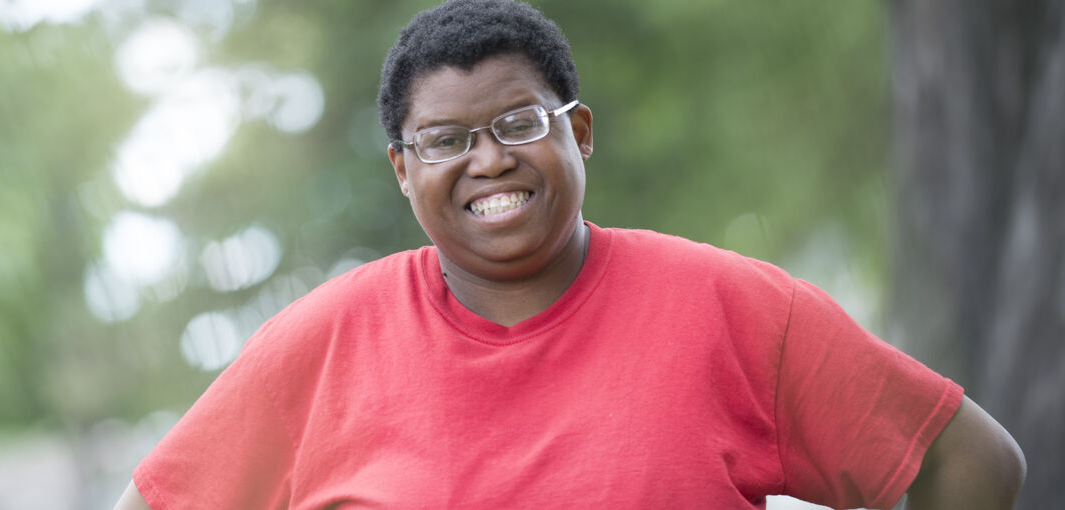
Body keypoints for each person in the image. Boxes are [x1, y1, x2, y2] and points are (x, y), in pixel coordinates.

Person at [115, 1, 1026, 508]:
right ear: (403, 169)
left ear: (578, 132)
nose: (489, 160)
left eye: (519, 122)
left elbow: (970, 465)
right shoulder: (326, 342)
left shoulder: (730, 307)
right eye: (445, 140)